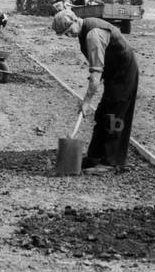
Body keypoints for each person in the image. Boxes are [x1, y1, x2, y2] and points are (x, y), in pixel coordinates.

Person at [52, 9, 139, 172]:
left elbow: (95, 76)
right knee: (102, 113)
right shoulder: (83, 30)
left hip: (123, 72)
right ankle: (95, 156)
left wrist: (86, 102)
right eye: (65, 34)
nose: (69, 35)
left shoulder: (93, 35)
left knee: (114, 115)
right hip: (112, 72)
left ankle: (111, 161)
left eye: (69, 30)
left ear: (75, 20)